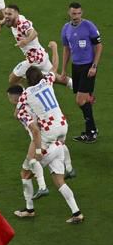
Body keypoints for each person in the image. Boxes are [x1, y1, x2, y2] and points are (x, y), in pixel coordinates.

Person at [8, 68, 84, 224]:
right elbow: (53, 71)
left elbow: (34, 131)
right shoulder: (45, 82)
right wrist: (55, 50)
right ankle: (77, 212)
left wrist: (37, 151)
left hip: (45, 141)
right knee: (59, 180)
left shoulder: (24, 105)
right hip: (59, 135)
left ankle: (31, 207)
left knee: (26, 173)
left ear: (13, 98)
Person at [60, 2, 103, 142]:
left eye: (78, 13)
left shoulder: (89, 26)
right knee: (84, 100)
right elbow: (66, 49)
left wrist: (94, 66)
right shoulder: (66, 28)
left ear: (82, 13)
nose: (76, 16)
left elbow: (99, 46)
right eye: (74, 13)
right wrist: (64, 69)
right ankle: (92, 130)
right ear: (69, 13)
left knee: (80, 100)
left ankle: (91, 132)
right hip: (76, 67)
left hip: (88, 67)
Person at [1, 5, 71, 87]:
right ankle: (76, 85)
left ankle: (26, 95)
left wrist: (25, 41)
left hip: (33, 59)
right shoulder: (18, 18)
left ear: (16, 14)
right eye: (5, 13)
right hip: (41, 55)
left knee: (12, 80)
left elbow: (34, 33)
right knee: (56, 77)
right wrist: (1, 23)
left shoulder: (22, 25)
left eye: (9, 14)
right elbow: (7, 19)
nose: (6, 16)